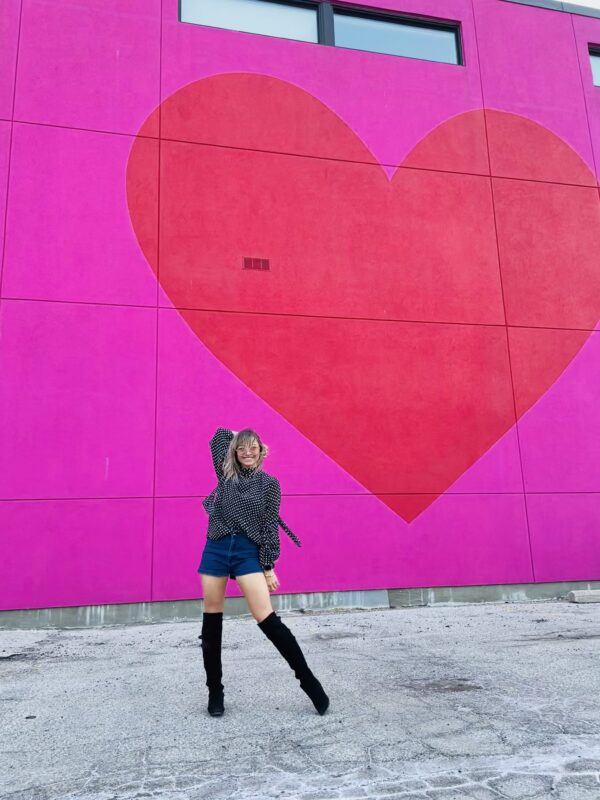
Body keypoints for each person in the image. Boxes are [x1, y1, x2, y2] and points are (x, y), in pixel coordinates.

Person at [197, 426, 330, 718]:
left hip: (247, 552)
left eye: (253, 447)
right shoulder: (226, 475)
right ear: (234, 451)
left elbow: (270, 528)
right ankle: (215, 692)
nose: (247, 452)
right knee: (212, 620)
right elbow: (218, 436)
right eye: (241, 448)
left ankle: (309, 681)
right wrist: (241, 435)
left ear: (261, 451)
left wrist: (268, 566)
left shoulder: (269, 484)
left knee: (266, 618)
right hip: (217, 547)